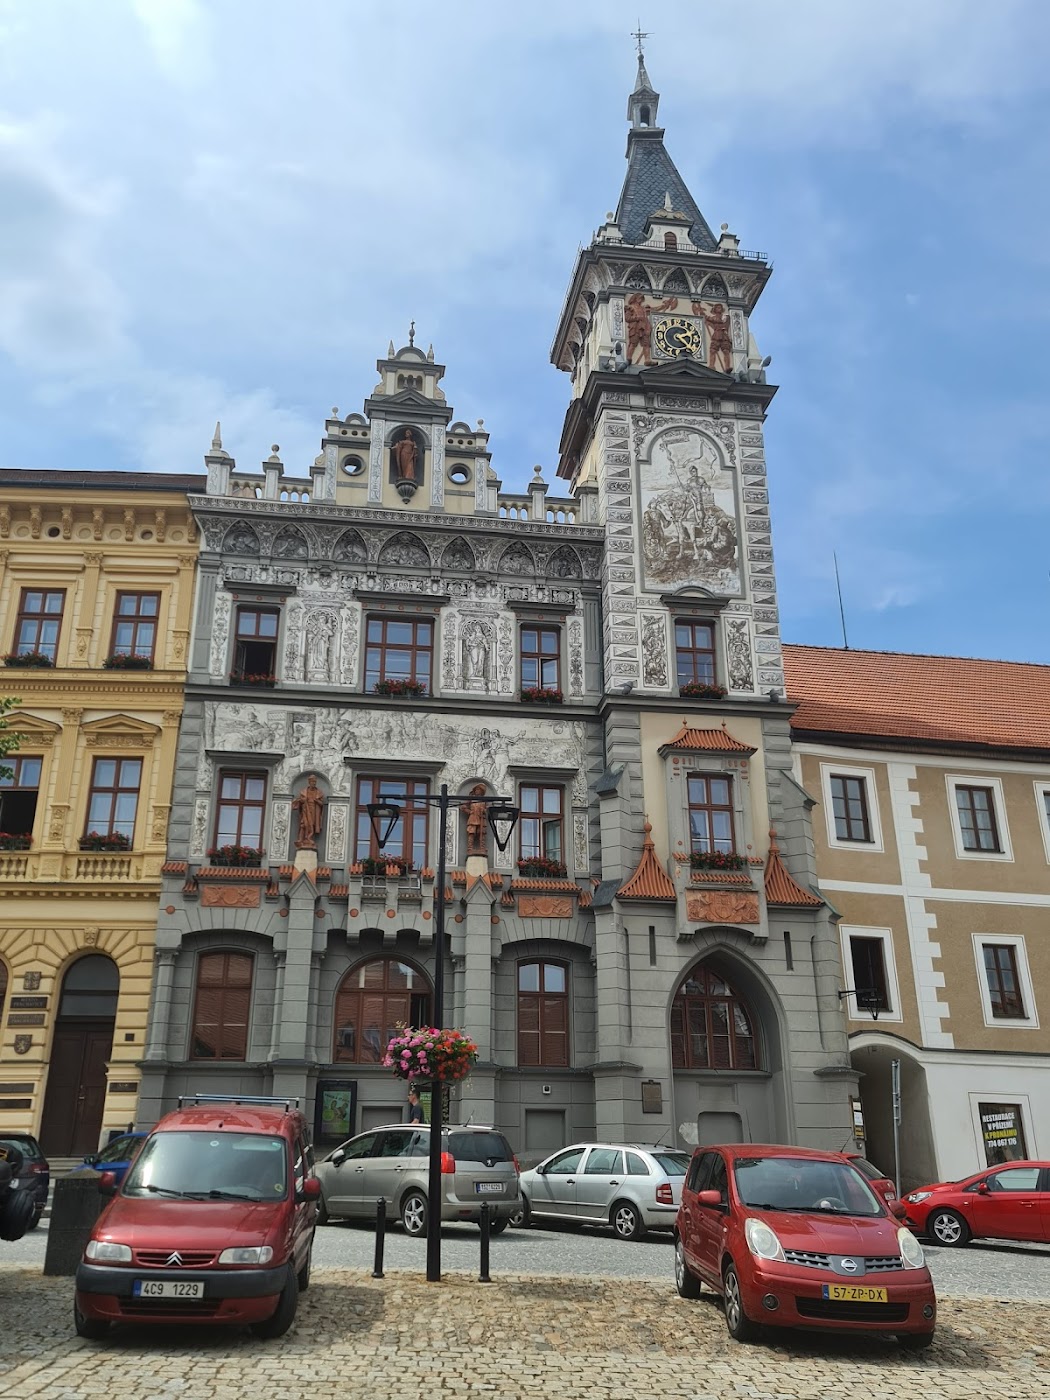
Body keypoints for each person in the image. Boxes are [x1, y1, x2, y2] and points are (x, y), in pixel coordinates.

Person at [292, 774, 325, 848]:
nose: (314, 783)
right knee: (303, 824)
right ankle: (300, 840)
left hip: (314, 811)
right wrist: (301, 800)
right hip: (305, 810)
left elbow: (321, 804)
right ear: (309, 782)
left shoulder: (319, 792)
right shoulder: (303, 792)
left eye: (315, 782)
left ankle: (309, 838)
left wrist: (317, 801)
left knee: (312, 824)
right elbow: (300, 801)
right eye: (312, 781)